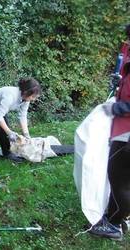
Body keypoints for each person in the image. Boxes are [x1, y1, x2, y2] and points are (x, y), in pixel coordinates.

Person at [89, 24, 130, 241]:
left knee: (119, 180)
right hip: (123, 129)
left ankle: (114, 225)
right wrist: (120, 82)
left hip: (127, 133)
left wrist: (116, 108)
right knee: (121, 179)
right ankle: (117, 218)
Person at [0, 77, 41, 178]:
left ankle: (6, 153)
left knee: (4, 134)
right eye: (33, 96)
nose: (33, 99)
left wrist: (26, 134)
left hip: (1, 110)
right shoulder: (10, 96)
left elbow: (22, 115)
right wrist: (10, 132)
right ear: (26, 92)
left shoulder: (26, 99)